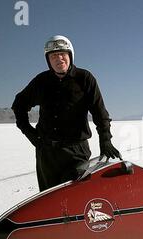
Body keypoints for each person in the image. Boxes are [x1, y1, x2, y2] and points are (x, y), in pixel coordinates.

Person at [12, 35, 121, 192]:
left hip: (76, 152)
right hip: (47, 153)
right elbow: (19, 104)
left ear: (70, 55)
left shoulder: (84, 79)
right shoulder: (41, 81)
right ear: (48, 60)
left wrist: (105, 140)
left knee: (76, 197)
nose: (59, 59)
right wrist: (30, 133)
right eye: (53, 56)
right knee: (49, 201)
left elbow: (100, 113)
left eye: (62, 54)